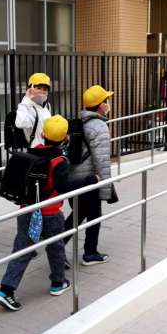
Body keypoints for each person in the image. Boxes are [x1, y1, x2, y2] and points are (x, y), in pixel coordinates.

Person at [0, 115, 98, 312]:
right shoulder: (59, 160)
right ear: (66, 138)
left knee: (22, 250)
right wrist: (89, 180)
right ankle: (58, 283)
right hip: (50, 213)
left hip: (27, 210)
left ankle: (5, 290)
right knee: (56, 247)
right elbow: (63, 187)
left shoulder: (34, 152)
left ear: (43, 134)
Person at [64, 85, 114, 265]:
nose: (108, 104)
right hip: (90, 180)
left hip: (74, 178)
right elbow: (102, 161)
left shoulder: (80, 122)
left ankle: (56, 247)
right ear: (101, 105)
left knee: (78, 214)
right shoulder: (99, 126)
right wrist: (106, 190)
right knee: (93, 215)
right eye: (106, 101)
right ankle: (89, 253)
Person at [15, 72, 52, 148]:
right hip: (36, 149)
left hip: (49, 147)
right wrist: (26, 100)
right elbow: (21, 123)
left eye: (45, 89)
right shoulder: (26, 106)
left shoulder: (47, 106)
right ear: (30, 89)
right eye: (38, 88)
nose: (42, 91)